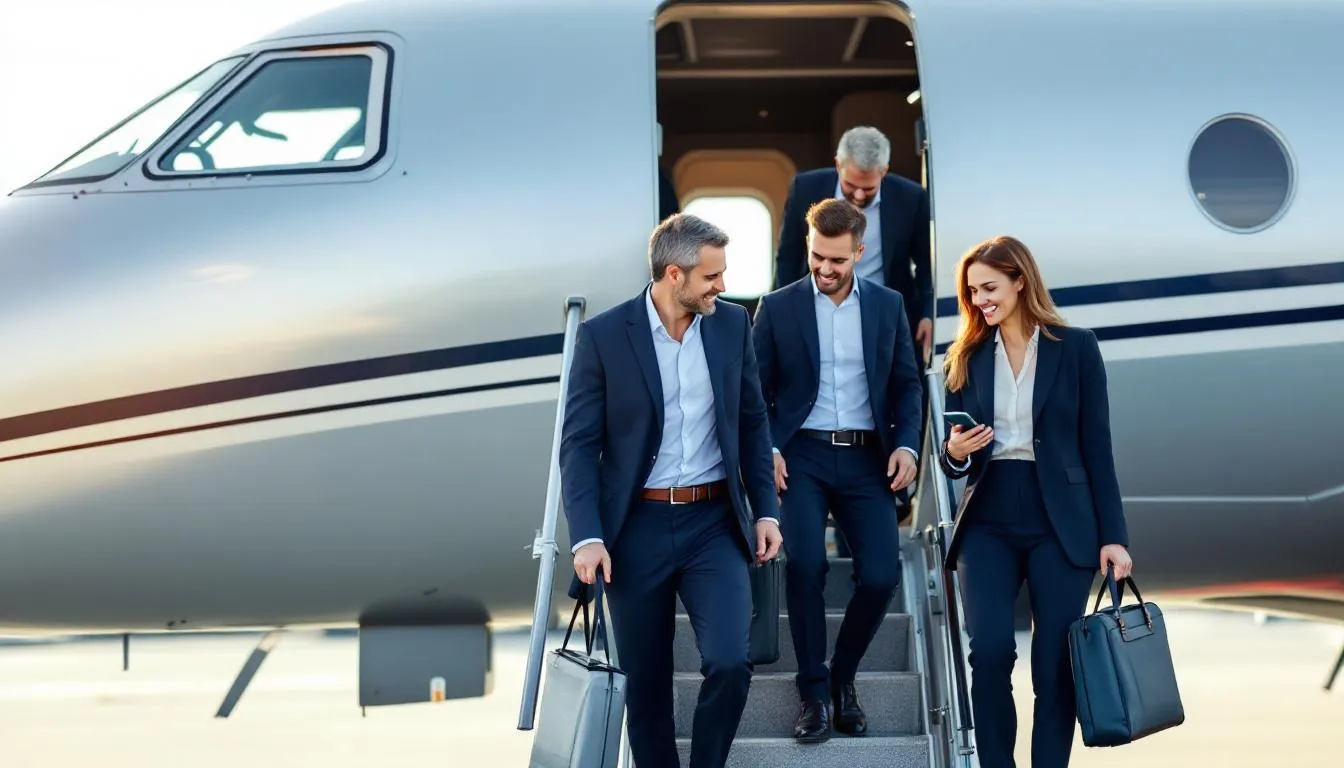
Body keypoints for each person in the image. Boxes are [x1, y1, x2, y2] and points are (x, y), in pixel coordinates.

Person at [558, 213, 784, 768]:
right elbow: (579, 446)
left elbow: (753, 424)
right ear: (673, 275)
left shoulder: (732, 327)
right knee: (647, 680)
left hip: (713, 524)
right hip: (637, 528)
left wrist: (767, 512)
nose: (722, 286)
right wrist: (587, 536)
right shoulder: (605, 337)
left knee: (731, 661)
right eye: (712, 276)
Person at [937, 235, 1133, 768]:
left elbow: (1098, 448)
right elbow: (952, 457)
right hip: (989, 516)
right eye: (973, 292)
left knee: (1054, 663)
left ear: (1021, 280)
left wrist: (1114, 536)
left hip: (1061, 521)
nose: (980, 301)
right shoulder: (967, 356)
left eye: (990, 288)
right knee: (992, 650)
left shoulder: (1078, 348)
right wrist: (953, 452)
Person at [752, 198, 923, 743]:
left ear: (859, 253)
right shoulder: (776, 307)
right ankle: (813, 694)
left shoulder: (887, 304)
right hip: (798, 454)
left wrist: (909, 447)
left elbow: (907, 384)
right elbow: (753, 393)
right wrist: (767, 450)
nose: (824, 270)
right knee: (803, 566)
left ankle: (842, 677)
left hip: (866, 457)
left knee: (879, 575)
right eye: (816, 257)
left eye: (837, 261)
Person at [772, 126, 933, 365]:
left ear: (884, 171)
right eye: (850, 185)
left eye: (868, 188)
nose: (858, 196)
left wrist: (929, 314)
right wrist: (782, 312)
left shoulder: (911, 198)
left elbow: (926, 265)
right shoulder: (805, 188)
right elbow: (787, 257)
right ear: (838, 165)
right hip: (817, 309)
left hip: (883, 316)